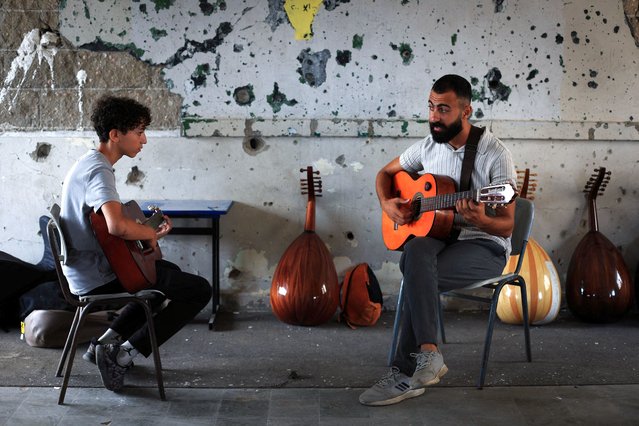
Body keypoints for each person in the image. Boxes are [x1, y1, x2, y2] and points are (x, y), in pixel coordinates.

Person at [360, 74, 516, 406]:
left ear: (466, 110)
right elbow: (384, 175)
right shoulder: (427, 147)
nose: (433, 116)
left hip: (484, 245)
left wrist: (483, 218)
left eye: (443, 109)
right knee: (415, 252)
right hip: (441, 239)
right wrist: (388, 204)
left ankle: (403, 374)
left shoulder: (494, 154)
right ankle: (428, 355)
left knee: (414, 270)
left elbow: (506, 225)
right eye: (431, 107)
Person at [60, 95, 211, 392]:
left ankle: (103, 345)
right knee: (198, 290)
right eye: (139, 132)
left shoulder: (90, 162)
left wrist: (146, 231)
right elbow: (116, 226)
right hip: (97, 277)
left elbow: (109, 225)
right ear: (115, 135)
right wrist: (150, 234)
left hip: (89, 269)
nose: (144, 140)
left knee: (165, 276)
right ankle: (123, 354)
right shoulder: (99, 170)